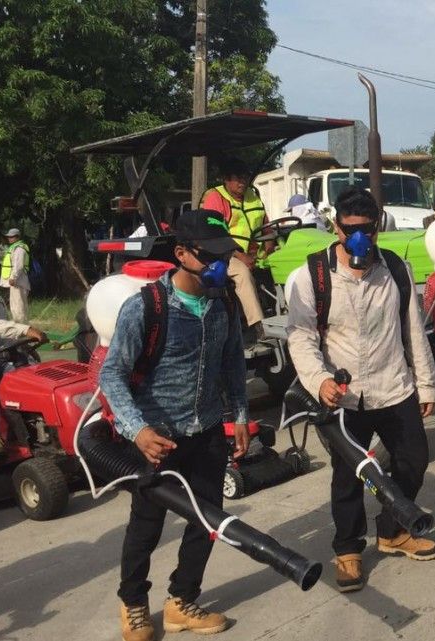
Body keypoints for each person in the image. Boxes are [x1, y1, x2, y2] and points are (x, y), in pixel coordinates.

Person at [97, 210, 249, 641]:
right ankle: (134, 604)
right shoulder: (146, 307)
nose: (220, 265)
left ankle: (182, 600)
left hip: (207, 432)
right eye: (210, 256)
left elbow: (232, 361)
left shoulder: (224, 301)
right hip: (157, 438)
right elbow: (112, 375)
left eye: (226, 255)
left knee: (207, 521)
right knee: (146, 526)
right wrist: (137, 430)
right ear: (181, 254)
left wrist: (239, 413)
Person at [287, 186, 435, 593]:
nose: (359, 238)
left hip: (394, 387)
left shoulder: (395, 269)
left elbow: (413, 329)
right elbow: (300, 337)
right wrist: (319, 382)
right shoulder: (311, 276)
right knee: (348, 476)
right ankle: (348, 549)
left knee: (415, 460)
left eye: (367, 229)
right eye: (350, 229)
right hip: (345, 397)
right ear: (336, 227)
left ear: (378, 226)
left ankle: (393, 532)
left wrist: (426, 385)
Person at [0, 242, 48, 460]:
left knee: (31, 380)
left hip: (2, 355)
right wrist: (25, 329)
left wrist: (23, 346)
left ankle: (36, 435)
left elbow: (2, 325)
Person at [200, 159, 269, 340]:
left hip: (252, 255)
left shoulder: (253, 198)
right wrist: (241, 256)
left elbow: (267, 229)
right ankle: (258, 326)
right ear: (226, 180)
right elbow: (215, 234)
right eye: (238, 179)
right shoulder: (216, 197)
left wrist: (270, 251)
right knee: (242, 273)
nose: (243, 183)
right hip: (221, 254)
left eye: (245, 178)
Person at [0, 228, 30, 323]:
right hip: (16, 282)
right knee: (15, 305)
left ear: (17, 237)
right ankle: (19, 327)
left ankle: (21, 327)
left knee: (18, 306)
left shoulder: (19, 249)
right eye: (9, 236)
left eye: (12, 237)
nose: (9, 238)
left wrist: (13, 277)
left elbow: (18, 265)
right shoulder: (14, 248)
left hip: (18, 282)